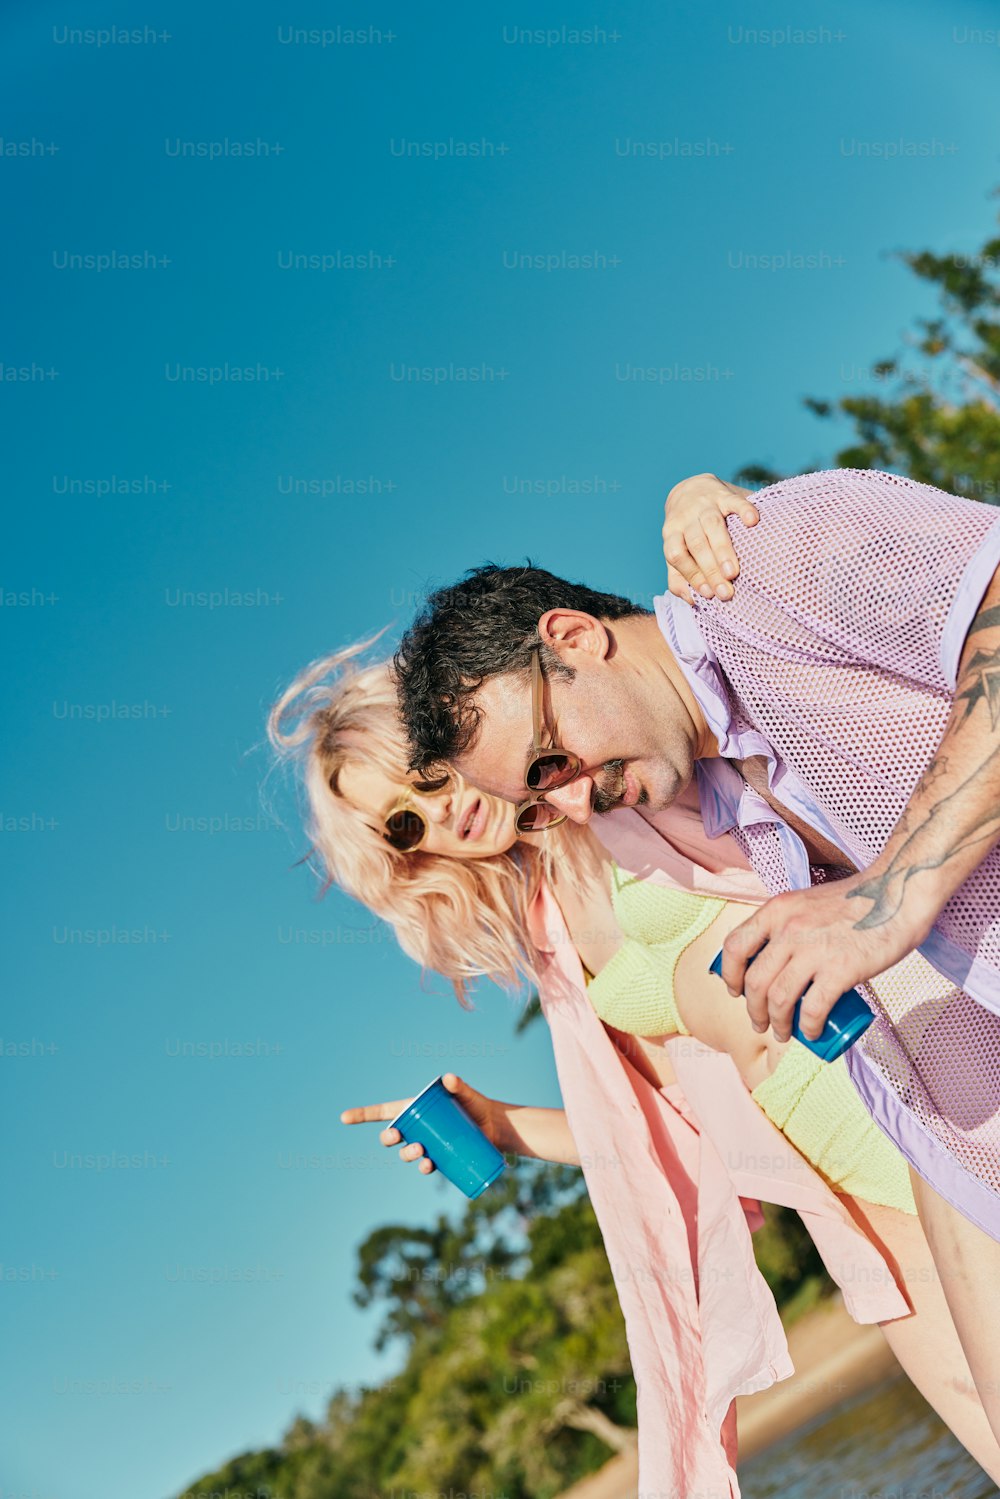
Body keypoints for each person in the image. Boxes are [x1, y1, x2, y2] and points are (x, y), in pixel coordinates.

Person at [267, 625, 1000, 1487]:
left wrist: (697, 499)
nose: (441, 813)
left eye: (427, 775)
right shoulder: (553, 937)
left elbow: (798, 763)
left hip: (938, 1105)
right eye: (405, 821)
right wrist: (502, 1125)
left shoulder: (625, 775)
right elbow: (658, 1132)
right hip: (859, 1219)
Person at [392, 467, 1000, 1444]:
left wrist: (891, 890)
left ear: (573, 636)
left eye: (550, 763)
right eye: (540, 799)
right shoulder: (732, 810)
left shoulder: (757, 565)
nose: (575, 802)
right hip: (931, 1143)